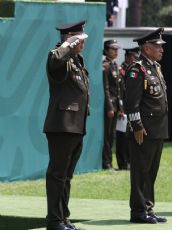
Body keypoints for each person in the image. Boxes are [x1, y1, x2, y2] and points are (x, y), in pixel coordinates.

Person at [43, 20, 88, 230]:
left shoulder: (77, 61)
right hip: (61, 126)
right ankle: (54, 221)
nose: (83, 44)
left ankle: (63, 218)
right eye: (80, 40)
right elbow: (55, 61)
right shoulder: (58, 56)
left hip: (76, 126)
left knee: (66, 177)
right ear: (70, 37)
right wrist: (68, 43)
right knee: (57, 175)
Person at [125, 28, 168, 224]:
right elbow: (131, 102)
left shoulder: (154, 68)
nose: (161, 50)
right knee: (141, 172)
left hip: (157, 129)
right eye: (158, 46)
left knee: (151, 172)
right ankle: (138, 211)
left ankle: (148, 208)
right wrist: (137, 126)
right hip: (144, 130)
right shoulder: (137, 69)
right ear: (147, 47)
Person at [102, 39, 126, 170]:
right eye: (113, 49)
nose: (116, 51)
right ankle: (106, 163)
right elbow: (106, 88)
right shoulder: (105, 66)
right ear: (106, 50)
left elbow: (118, 90)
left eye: (117, 49)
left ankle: (110, 162)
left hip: (116, 105)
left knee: (113, 136)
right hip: (110, 106)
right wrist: (110, 107)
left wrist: (121, 109)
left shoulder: (115, 65)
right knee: (107, 136)